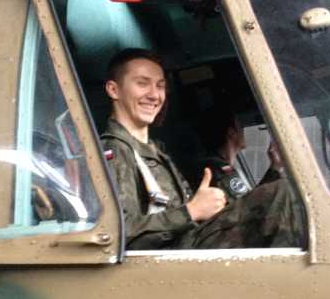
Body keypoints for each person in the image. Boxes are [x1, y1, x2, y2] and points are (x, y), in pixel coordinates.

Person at [99, 48, 302, 251]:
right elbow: (118, 234)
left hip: (188, 247)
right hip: (170, 260)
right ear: (113, 90)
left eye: (160, 86)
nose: (154, 95)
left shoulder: (155, 150)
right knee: (281, 192)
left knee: (284, 196)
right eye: (142, 83)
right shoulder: (116, 150)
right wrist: (191, 211)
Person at [195, 106, 285, 201]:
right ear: (231, 132)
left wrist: (275, 166)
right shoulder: (218, 169)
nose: (243, 130)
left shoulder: (216, 166)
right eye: (241, 127)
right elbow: (248, 206)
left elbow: (248, 203)